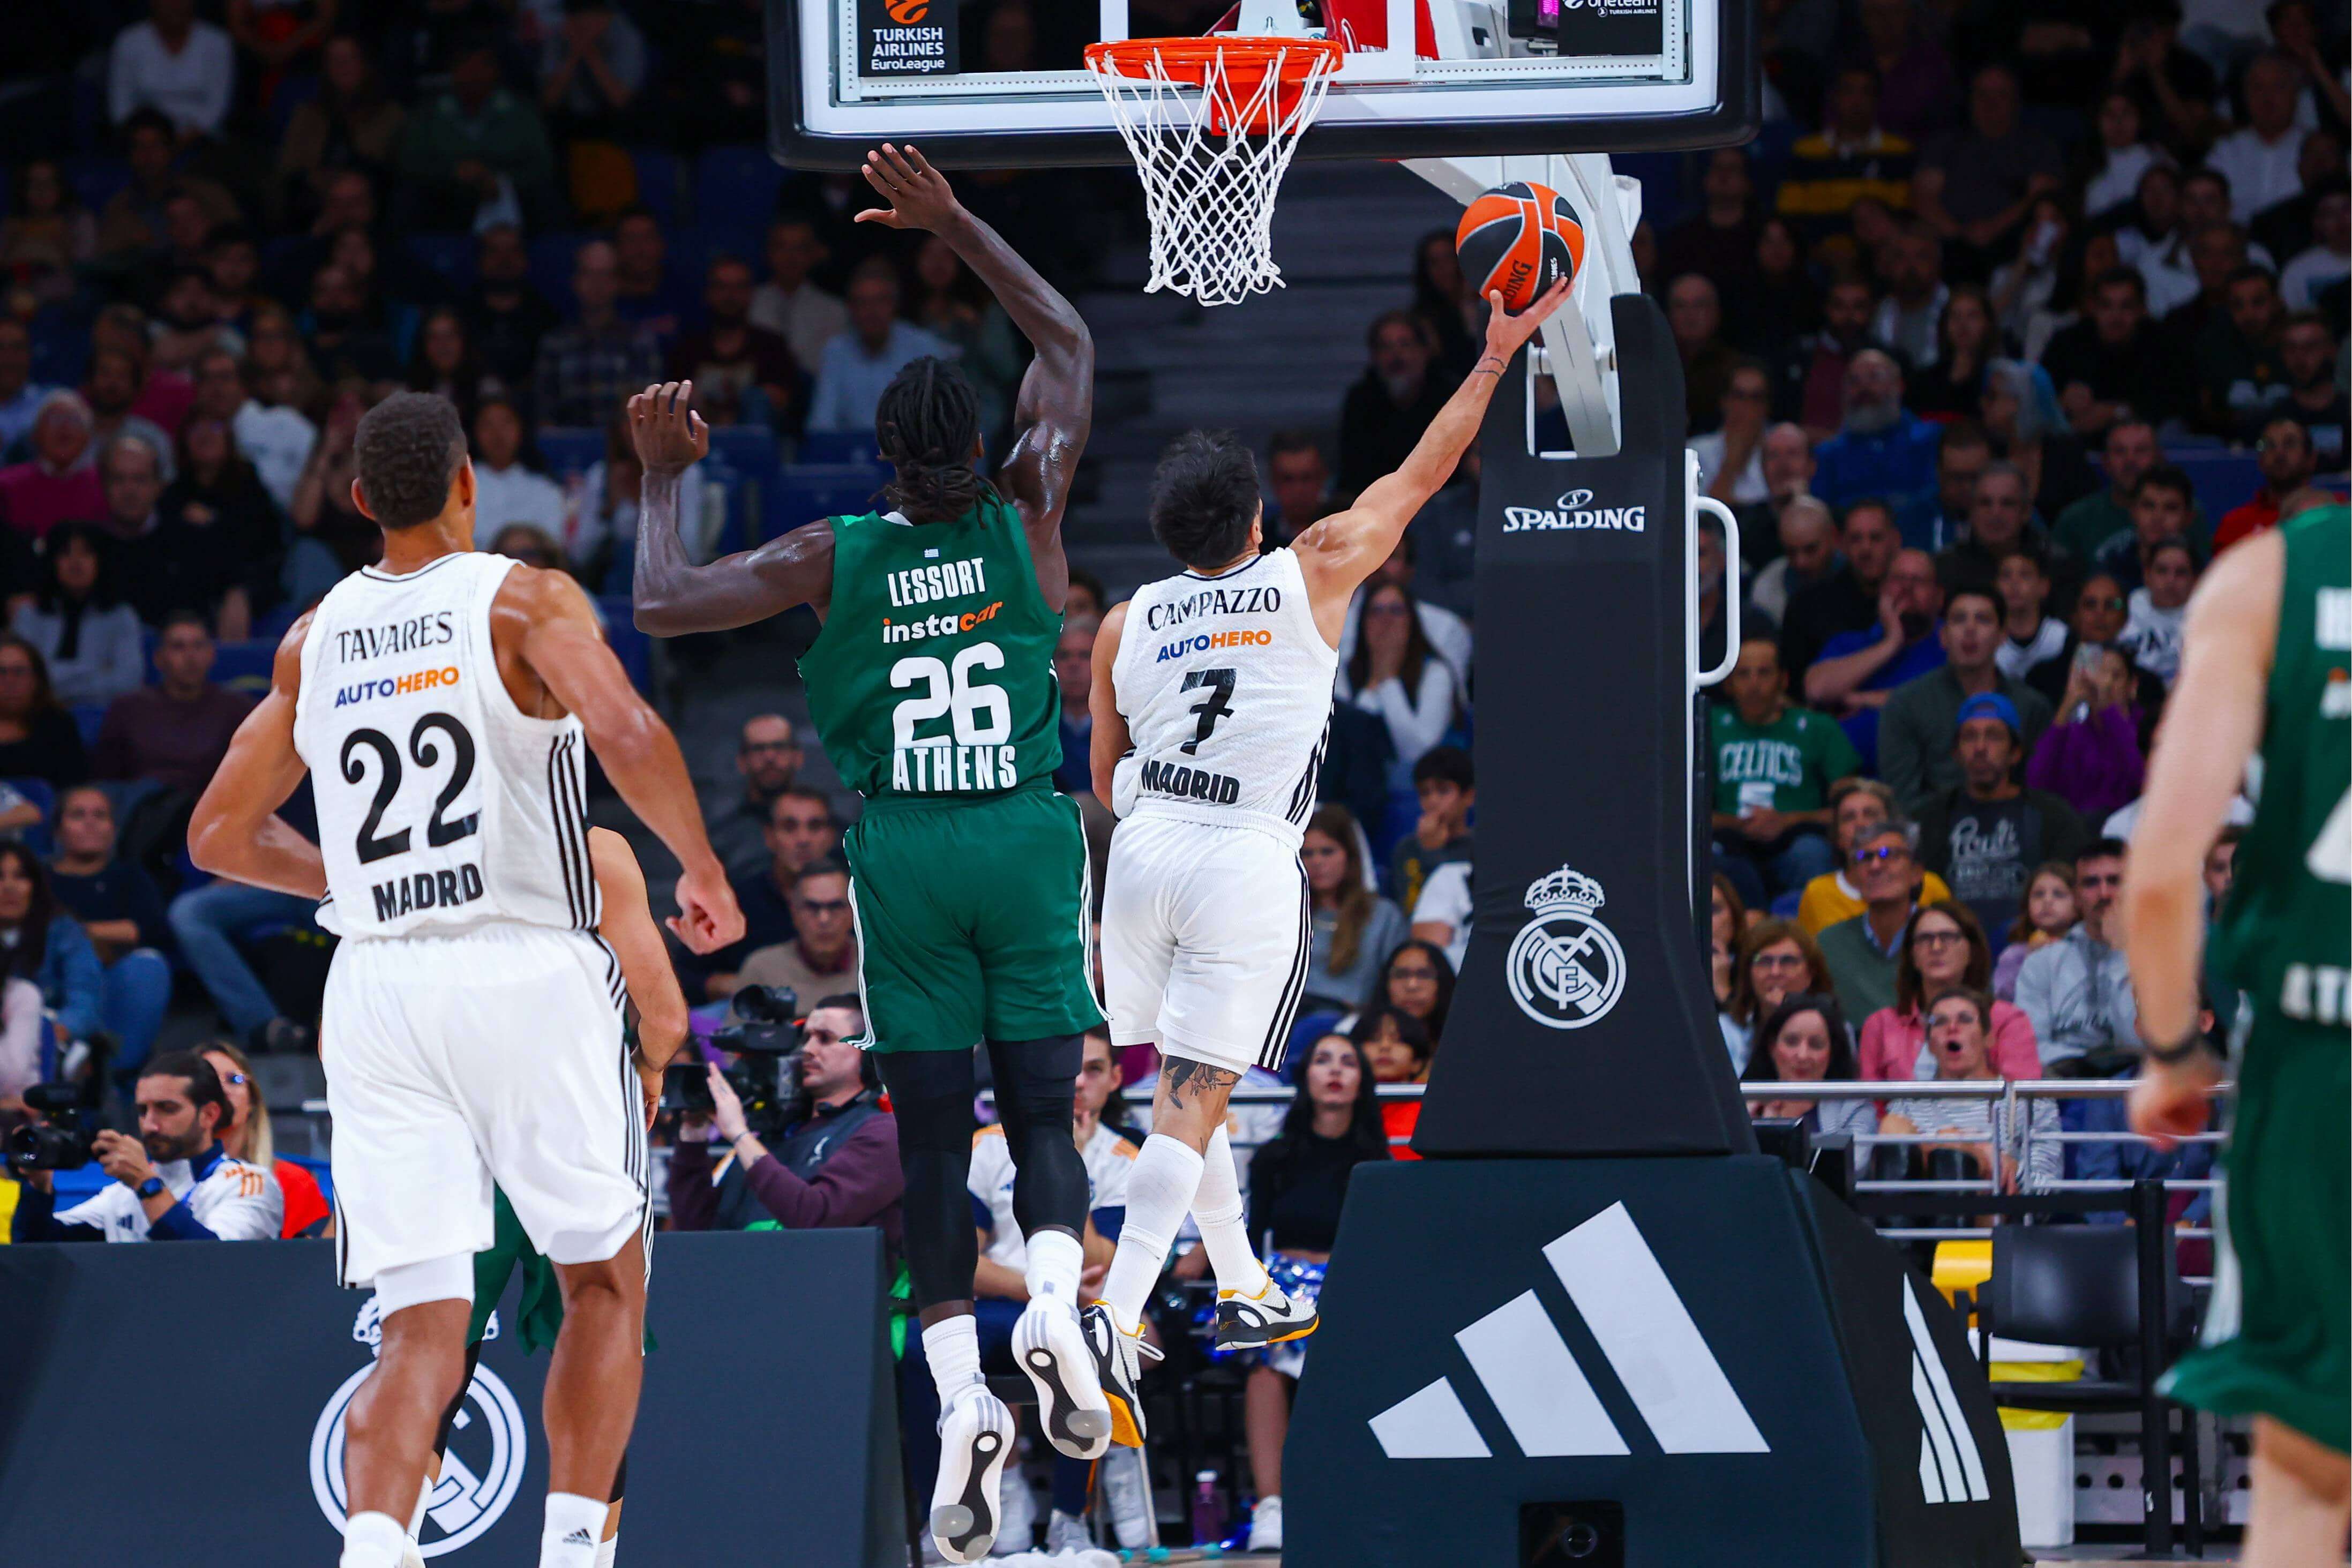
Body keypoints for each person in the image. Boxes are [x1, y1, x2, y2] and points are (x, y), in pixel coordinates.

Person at [629, 147, 1113, 1565]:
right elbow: (1069, 340)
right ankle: (1065, 1340)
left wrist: (662, 480)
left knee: (929, 1139)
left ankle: (964, 1389)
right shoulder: (1029, 510)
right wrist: (951, 221)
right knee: (1039, 1121)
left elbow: (659, 602)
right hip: (1024, 833)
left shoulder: (830, 550)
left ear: (883, 461)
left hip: (900, 845)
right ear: (980, 444)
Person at [185, 388, 741, 1568]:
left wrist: (352, 882)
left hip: (376, 985)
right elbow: (628, 730)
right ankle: (573, 1553)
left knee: (418, 1324)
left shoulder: (312, 636)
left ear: (354, 502)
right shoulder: (522, 597)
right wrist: (698, 862)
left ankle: (376, 1550)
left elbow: (219, 836)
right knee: (601, 1278)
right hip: (520, 963)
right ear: (467, 482)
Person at [1082, 276, 1565, 1467]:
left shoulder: (1121, 620)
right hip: (1241, 851)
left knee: (1180, 1101)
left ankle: (1241, 1279)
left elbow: (1101, 776)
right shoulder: (1312, 567)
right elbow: (1420, 471)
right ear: (1255, 517)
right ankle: (1112, 1309)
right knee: (1196, 1092)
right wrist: (1495, 357)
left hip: (1135, 853)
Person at [2125, 504, 2350, 1562]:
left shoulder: (2270, 578)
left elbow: (2165, 869)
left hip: (2318, 1069)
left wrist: (2172, 1051)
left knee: (2306, 1482)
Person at [407, 824, 694, 1568]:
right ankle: (579, 1558)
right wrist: (650, 1070)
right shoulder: (594, 848)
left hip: (452, 1107)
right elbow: (663, 1018)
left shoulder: (406, 841)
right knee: (603, 1324)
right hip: (580, 1108)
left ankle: (389, 1540)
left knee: (434, 1342)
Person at [1239, 1030, 1391, 1554]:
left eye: (1348, 1061)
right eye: (1323, 1059)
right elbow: (1252, 1237)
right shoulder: (1274, 1157)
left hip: (1355, 1282)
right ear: (1305, 1077)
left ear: (1360, 1081)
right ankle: (1272, 1505)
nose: (1334, 1069)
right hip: (1283, 1277)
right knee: (1262, 1350)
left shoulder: (1378, 1161)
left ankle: (1356, 1498)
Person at [666, 994, 901, 1234]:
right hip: (740, 1271)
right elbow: (696, 1228)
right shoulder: (772, 1135)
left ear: (868, 1052)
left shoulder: (885, 1131)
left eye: (825, 1039)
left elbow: (816, 1217)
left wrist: (740, 1135)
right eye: (806, 1038)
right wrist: (693, 1138)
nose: (808, 1050)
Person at [11, 1049, 283, 1242]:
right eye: (143, 1111)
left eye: (167, 1109)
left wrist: (146, 1183)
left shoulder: (248, 1183)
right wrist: (39, 1186)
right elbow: (39, 1248)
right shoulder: (123, 1195)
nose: (150, 1125)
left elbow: (215, 1267)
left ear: (209, 1115)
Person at [1913, 691, 2089, 940]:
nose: (1980, 748)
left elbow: (2070, 893)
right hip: (1950, 944)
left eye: (1993, 737)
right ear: (1957, 753)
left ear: (2015, 753)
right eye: (1970, 737)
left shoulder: (2053, 816)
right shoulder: (1931, 818)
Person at [1709, 636, 1860, 907]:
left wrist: (1788, 821)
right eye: (1743, 674)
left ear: (1784, 679)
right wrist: (1736, 824)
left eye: (1764, 673)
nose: (1754, 684)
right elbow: (1681, 810)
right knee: (1708, 855)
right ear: (1728, 683)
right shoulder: (1708, 725)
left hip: (1797, 841)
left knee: (1811, 853)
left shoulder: (1818, 727)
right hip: (1729, 841)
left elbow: (1850, 807)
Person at [1878, 588, 2055, 815]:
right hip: (1933, 833)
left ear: (2002, 636)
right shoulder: (1904, 704)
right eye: (1959, 619)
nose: (1970, 629)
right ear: (1943, 637)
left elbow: (2042, 793)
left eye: (1983, 620)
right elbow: (1903, 800)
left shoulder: (2033, 706)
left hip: (2015, 829)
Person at [1880, 988, 2061, 1191]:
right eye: (1940, 1022)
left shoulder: (2030, 1104)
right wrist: (1965, 1150)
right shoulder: (1906, 1105)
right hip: (1922, 1217)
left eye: (1965, 1020)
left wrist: (2001, 1165)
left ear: (1988, 1038)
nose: (1952, 1028)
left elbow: (2049, 1191)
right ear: (1929, 1043)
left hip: (1995, 1217)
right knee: (1893, 1127)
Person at [48, 786, 173, 1075]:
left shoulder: (129, 876)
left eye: (100, 815)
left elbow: (144, 930)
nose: (90, 822)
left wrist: (71, 932)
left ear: (114, 829)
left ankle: (115, 1070)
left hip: (112, 982)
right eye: (78, 815)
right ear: (57, 831)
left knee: (148, 966)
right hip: (53, 984)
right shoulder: (40, 879)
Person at [677, 785, 835, 1003]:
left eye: (815, 826)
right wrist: (740, 984)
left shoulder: (861, 899)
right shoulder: (735, 900)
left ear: (831, 835)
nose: (803, 839)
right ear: (769, 836)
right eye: (790, 827)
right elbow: (684, 975)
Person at [1859, 899, 2038, 1082]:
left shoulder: (2008, 1020)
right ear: (1912, 955)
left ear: (1972, 950)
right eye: (1925, 939)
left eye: (1948, 937)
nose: (1936, 948)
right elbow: (1871, 1106)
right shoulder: (1880, 1025)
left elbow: (2020, 1099)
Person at [1804, 545, 1947, 771]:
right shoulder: (1849, 644)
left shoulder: (1950, 646)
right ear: (1882, 590)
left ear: (1939, 597)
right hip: (1846, 784)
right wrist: (1891, 643)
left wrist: (1861, 699)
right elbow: (1817, 689)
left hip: (1922, 782)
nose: (1907, 588)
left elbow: (1946, 703)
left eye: (1919, 581)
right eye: (1898, 579)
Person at [92, 613, 254, 795]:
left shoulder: (237, 708)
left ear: (211, 655)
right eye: (179, 647)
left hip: (215, 812)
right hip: (144, 813)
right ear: (159, 659)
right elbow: (107, 785)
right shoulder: (128, 709)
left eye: (198, 646)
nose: (190, 657)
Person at [2013, 838, 2136, 1075]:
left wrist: (2120, 953)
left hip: (2135, 1087)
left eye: (2115, 881)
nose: (2104, 893)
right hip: (2066, 1088)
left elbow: (2139, 1042)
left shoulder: (2159, 960)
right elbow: (2030, 1047)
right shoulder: (2041, 964)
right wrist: (2090, 1064)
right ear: (2077, 897)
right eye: (2091, 883)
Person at [1338, 579, 1462, 795]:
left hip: (1419, 791)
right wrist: (1372, 685)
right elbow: (1347, 747)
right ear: (1363, 623)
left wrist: (1388, 681)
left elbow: (1417, 753)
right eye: (1376, 611)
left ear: (1411, 621)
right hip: (1356, 790)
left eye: (1396, 611)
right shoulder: (1343, 671)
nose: (1386, 620)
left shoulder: (1436, 672)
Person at [804, 259, 955, 436]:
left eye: (881, 301)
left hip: (914, 454)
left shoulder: (924, 347)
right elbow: (822, 424)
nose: (872, 311)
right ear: (851, 308)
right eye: (863, 303)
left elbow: (944, 418)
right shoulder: (835, 351)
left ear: (895, 305)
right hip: (853, 455)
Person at [200, 1038, 331, 1238]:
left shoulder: (294, 1182)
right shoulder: (162, 1181)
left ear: (252, 1099)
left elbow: (311, 1262)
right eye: (208, 1082)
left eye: (233, 1080)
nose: (222, 1091)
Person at [1796, 777, 1956, 935]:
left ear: (1893, 826)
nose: (1860, 825)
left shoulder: (1930, 886)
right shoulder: (1817, 894)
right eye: (1849, 817)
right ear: (1838, 836)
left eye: (1871, 814)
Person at [535, 241, 664, 430]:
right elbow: (545, 416)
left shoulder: (640, 342)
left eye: (605, 275)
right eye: (589, 274)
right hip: (569, 452)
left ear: (617, 282)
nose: (598, 284)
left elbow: (647, 414)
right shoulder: (554, 344)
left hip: (629, 452)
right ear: (576, 281)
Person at [13, 523, 144, 707]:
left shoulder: (122, 616)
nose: (76, 562)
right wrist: (96, 672)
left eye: (86, 553)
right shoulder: (30, 615)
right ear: (53, 562)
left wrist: (52, 680)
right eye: (66, 553)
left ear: (100, 560)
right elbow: (19, 680)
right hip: (38, 714)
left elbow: (128, 683)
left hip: (104, 718)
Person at [1780, 496, 1902, 679]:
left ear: (1895, 541)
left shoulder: (1918, 598)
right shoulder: (1806, 606)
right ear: (1842, 544)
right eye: (1856, 539)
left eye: (1876, 538)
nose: (1866, 549)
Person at [1300, 804, 1407, 1014]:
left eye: (1327, 851)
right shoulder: (1289, 914)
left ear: (1350, 856)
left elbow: (1395, 986)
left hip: (1356, 1028)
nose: (1317, 861)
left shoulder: (1384, 916)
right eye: (1308, 853)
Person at [1816, 822, 1927, 1022]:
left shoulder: (1943, 937)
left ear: (1916, 874)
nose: (1875, 866)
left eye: (1889, 854)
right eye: (1865, 858)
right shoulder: (1829, 944)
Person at [1810, 351, 1941, 519]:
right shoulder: (1826, 456)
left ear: (1898, 386)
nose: (1864, 388)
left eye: (1875, 377)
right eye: (1854, 381)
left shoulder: (1930, 440)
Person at [2028, 644, 2148, 824]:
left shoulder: (2148, 726)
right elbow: (2036, 781)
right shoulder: (2073, 732)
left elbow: (2141, 778)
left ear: (2132, 685)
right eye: (2096, 676)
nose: (2104, 684)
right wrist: (2068, 704)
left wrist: (2107, 709)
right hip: (2080, 834)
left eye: (2115, 676)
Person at [1338, 310, 1450, 494]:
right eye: (1386, 347)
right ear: (1374, 356)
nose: (1396, 356)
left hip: (1443, 499)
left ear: (1424, 351)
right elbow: (1354, 470)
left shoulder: (1448, 394)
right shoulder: (1360, 401)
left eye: (1405, 345)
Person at [1740, 992, 1876, 1139]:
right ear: (1772, 1047)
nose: (1803, 1055)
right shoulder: (1742, 1107)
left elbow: (1854, 1161)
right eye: (1792, 1042)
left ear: (1833, 1052)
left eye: (1816, 1045)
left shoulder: (1855, 1110)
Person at [734, 860, 860, 1001]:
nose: (824, 919)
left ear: (853, 911)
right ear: (794, 913)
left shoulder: (877, 965)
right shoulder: (762, 969)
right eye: (812, 907)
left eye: (836, 906)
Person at [1721, 918, 1835, 1072]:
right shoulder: (1725, 1030)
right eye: (1764, 961)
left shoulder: (1836, 1028)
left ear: (1811, 973)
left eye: (1788, 961)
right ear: (1748, 972)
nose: (1775, 972)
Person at [701, 713, 805, 881]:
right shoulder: (719, 841)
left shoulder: (832, 833)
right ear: (742, 761)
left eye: (779, 747)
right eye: (758, 749)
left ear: (798, 757)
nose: (770, 757)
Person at [749, 215, 849, 379]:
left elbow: (834, 373)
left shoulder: (834, 311)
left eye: (800, 248)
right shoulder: (749, 302)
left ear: (814, 253)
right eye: (782, 247)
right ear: (769, 251)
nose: (790, 256)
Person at [2051, 419, 2162, 564]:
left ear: (2158, 458)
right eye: (2119, 451)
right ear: (2105, 462)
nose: (2130, 460)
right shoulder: (2073, 521)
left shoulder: (2183, 512)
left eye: (2141, 451)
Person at [2213, 416, 2319, 555]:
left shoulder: (2338, 516)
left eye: (2290, 444)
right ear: (2260, 460)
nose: (2279, 453)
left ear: (2311, 458)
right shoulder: (2234, 526)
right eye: (2269, 445)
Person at [1388, 745, 1472, 916]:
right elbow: (1404, 910)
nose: (1433, 801)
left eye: (1444, 791)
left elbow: (1461, 909)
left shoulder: (1481, 848)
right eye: (1425, 793)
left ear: (1468, 796)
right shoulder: (1406, 849)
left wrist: (1433, 852)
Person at [0, 634, 89, 786]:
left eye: (20, 672)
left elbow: (73, 791)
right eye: (1, 672)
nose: (10, 681)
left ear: (37, 680)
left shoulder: (59, 726)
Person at [2117, 537, 2196, 686]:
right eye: (2162, 571)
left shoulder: (2207, 615)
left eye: (2181, 573)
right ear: (2147, 575)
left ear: (2195, 579)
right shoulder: (2125, 608)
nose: (2170, 580)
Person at [1992, 862, 2075, 1003]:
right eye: (2038, 895)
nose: (2047, 901)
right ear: (2027, 904)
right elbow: (2004, 1000)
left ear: (2078, 904)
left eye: (2059, 894)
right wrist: (2030, 961)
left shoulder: (2086, 949)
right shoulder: (2014, 955)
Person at [1993, 548, 2068, 685]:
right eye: (2006, 575)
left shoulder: (2064, 638)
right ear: (1995, 586)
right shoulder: (1986, 640)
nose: (2014, 583)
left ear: (2044, 586)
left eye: (2025, 575)